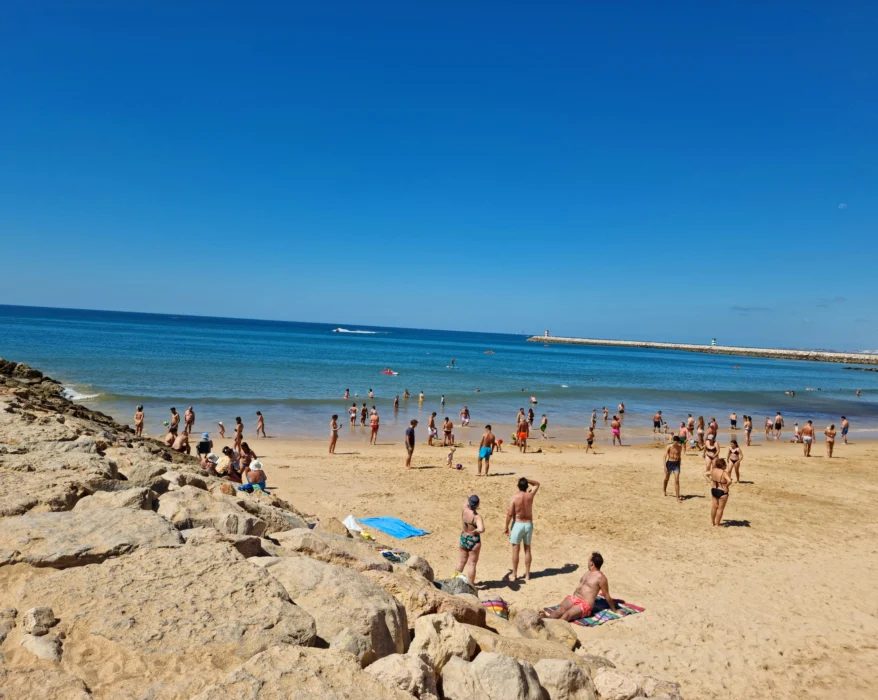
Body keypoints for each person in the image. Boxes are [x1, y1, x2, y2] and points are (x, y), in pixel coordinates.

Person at [541, 552, 617, 621]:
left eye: (589, 560)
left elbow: (606, 595)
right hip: (574, 598)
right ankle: (549, 618)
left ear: (591, 563)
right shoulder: (588, 572)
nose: (587, 562)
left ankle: (556, 625)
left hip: (585, 604)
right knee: (561, 609)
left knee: (567, 614)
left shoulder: (601, 578)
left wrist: (614, 610)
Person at [504, 477, 540, 581]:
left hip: (518, 524)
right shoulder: (530, 495)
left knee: (516, 550)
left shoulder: (515, 497)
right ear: (527, 486)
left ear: (518, 486)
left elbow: (510, 513)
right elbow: (537, 484)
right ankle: (527, 574)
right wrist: (527, 479)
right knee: (527, 549)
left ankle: (514, 574)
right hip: (528, 524)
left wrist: (506, 526)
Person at [456, 495, 485, 585]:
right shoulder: (476, 517)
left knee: (461, 561)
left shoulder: (464, 510)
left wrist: (469, 497)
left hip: (464, 537)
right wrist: (476, 530)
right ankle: (471, 585)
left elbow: (466, 503)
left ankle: (454, 579)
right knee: (472, 564)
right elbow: (482, 529)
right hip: (473, 540)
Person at [708, 457, 732, 526]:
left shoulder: (713, 470)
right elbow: (729, 481)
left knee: (714, 507)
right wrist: (726, 486)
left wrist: (709, 481)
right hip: (722, 491)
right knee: (720, 509)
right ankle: (717, 524)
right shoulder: (724, 473)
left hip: (714, 489)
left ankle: (712, 522)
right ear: (723, 465)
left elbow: (705, 474)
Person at [663, 436, 683, 502]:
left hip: (676, 464)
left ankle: (677, 497)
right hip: (669, 463)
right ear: (673, 441)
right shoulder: (669, 446)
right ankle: (664, 490)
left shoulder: (680, 447)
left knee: (677, 480)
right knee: (666, 478)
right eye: (676, 442)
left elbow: (679, 456)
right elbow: (664, 456)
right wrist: (665, 466)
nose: (677, 443)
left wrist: (679, 465)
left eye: (677, 442)